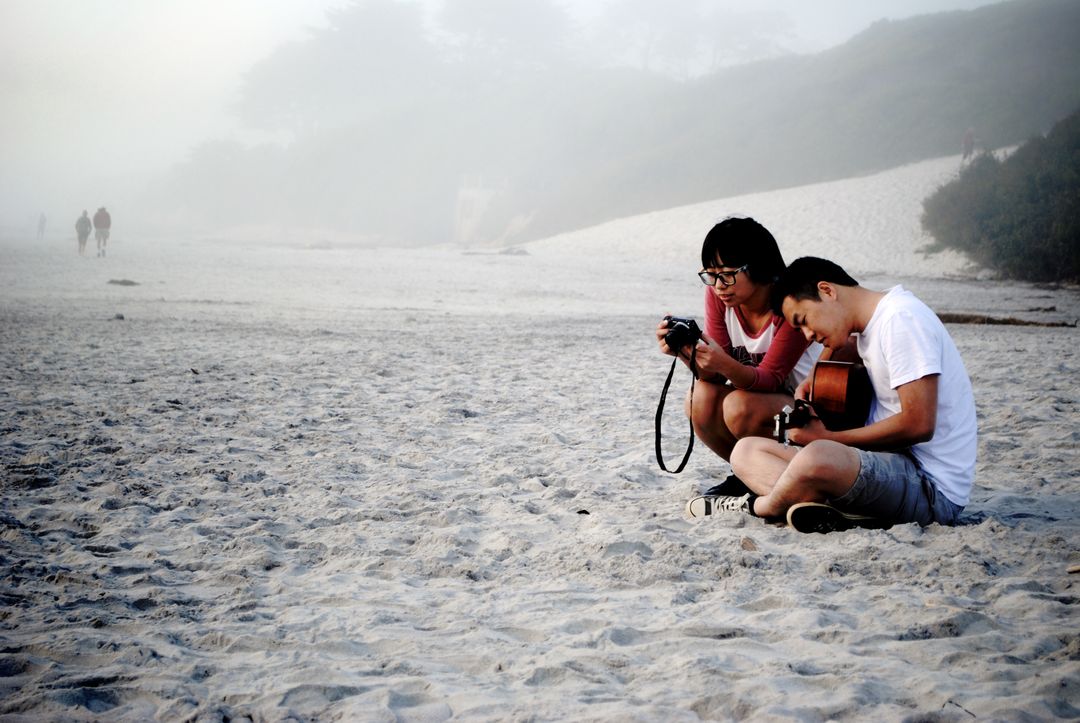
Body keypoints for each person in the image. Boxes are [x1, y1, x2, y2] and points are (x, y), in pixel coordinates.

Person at [688, 256, 977, 533]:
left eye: (803, 320)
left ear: (826, 291)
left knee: (819, 455)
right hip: (884, 467)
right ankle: (826, 508)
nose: (807, 335)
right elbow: (844, 345)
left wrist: (826, 439)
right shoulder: (872, 323)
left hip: (928, 488)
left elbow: (919, 424)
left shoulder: (901, 319)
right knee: (747, 451)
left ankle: (760, 506)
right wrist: (812, 378)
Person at [655, 217, 822, 492]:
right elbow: (714, 375)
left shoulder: (789, 303)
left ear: (758, 267)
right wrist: (687, 354)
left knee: (739, 406)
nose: (719, 285)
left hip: (812, 407)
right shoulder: (721, 298)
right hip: (769, 404)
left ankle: (767, 473)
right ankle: (747, 474)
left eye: (727, 274)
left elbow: (770, 378)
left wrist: (724, 363)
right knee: (701, 397)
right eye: (710, 275)